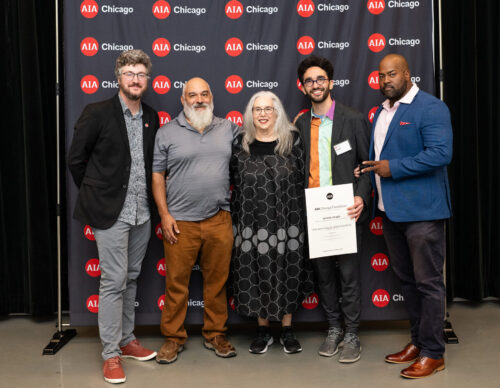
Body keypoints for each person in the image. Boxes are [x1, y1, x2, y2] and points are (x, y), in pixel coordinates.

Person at [68, 49, 159, 384]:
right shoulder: (97, 113)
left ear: (146, 80)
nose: (135, 79)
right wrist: (97, 197)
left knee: (131, 278)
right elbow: (76, 161)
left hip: (143, 212)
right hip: (110, 213)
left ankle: (126, 338)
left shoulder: (151, 116)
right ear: (118, 77)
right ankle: (110, 354)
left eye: (141, 74)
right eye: (129, 73)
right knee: (113, 281)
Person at [361, 53, 453, 379]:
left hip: (423, 213)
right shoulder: (383, 113)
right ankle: (417, 341)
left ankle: (433, 352)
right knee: (409, 282)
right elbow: (379, 157)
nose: (386, 81)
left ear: (407, 74)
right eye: (381, 76)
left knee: (428, 284)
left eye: (392, 74)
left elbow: (441, 153)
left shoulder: (430, 107)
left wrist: (392, 168)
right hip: (391, 212)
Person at [152, 77, 239, 364]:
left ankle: (215, 334)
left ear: (212, 96)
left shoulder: (228, 128)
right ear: (183, 99)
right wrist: (165, 215)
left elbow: (261, 141)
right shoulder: (166, 133)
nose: (199, 99)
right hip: (180, 223)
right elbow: (157, 177)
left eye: (204, 94)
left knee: (217, 282)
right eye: (193, 95)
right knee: (176, 284)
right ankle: (173, 337)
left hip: (219, 219)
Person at [295, 55, 371, 363]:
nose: (315, 85)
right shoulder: (299, 123)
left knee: (349, 276)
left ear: (331, 83)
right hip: (313, 212)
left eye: (320, 79)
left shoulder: (353, 119)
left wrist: (361, 196)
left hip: (346, 211)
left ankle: (352, 333)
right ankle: (334, 327)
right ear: (303, 87)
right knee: (323, 277)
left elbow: (366, 166)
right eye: (310, 81)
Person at [230, 91, 314, 354]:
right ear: (250, 114)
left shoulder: (294, 142)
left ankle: (287, 330)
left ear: (278, 112)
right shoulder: (240, 144)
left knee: (288, 269)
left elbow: (305, 179)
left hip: (289, 221)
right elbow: (234, 181)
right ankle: (263, 330)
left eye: (268, 108)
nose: (263, 114)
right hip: (250, 223)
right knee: (255, 271)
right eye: (257, 109)